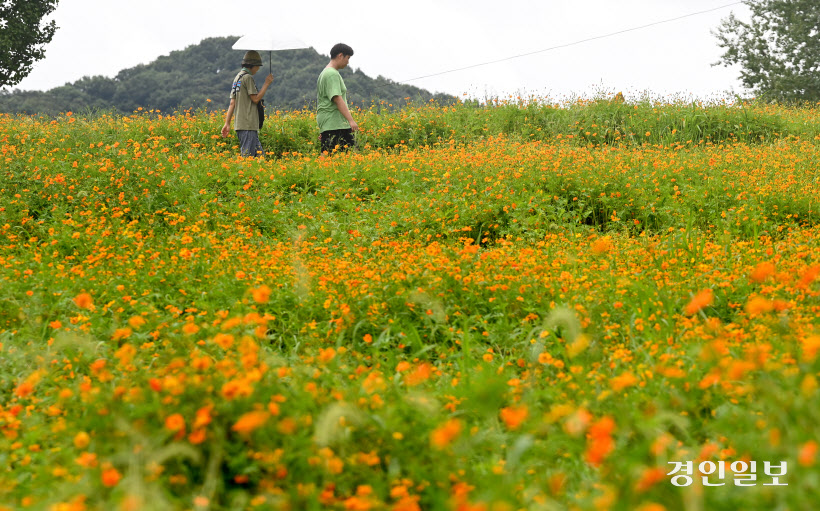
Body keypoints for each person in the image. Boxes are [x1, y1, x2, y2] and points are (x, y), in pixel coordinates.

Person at [221, 50, 274, 157]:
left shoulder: (238, 78)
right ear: (252, 66)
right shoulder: (248, 78)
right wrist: (266, 83)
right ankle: (243, 173)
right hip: (248, 124)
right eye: (257, 66)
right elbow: (255, 99)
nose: (258, 69)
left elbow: (232, 103)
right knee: (247, 157)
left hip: (241, 125)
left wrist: (227, 123)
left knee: (260, 158)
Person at [316, 43, 358, 154]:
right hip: (336, 123)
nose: (348, 62)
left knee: (329, 156)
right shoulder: (331, 74)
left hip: (331, 123)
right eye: (348, 58)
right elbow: (337, 99)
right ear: (340, 55)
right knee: (351, 156)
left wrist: (325, 129)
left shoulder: (324, 73)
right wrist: (351, 120)